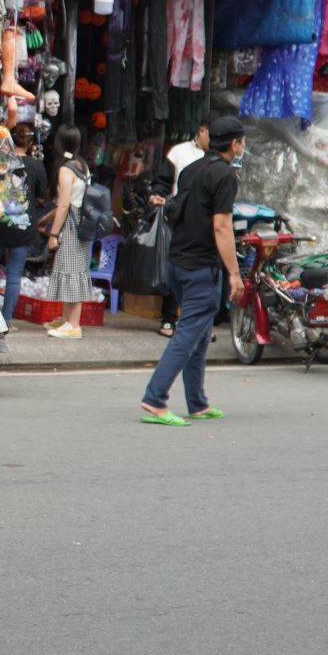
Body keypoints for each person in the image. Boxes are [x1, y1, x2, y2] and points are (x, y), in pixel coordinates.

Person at [141, 115, 246, 425]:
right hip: (201, 265)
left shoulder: (191, 169)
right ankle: (155, 398)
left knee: (199, 333)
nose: (243, 146)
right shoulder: (225, 176)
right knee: (187, 333)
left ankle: (197, 402)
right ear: (234, 144)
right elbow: (222, 226)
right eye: (242, 141)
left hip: (178, 262)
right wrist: (234, 273)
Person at [0, 126, 48, 324]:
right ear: (30, 142)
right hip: (22, 227)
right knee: (14, 274)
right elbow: (43, 195)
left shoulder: (1, 162)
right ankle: (6, 319)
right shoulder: (36, 165)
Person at [148, 124, 210, 337]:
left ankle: (200, 325)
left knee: (202, 274)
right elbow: (163, 182)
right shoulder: (179, 152)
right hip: (179, 219)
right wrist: (157, 194)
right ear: (202, 131)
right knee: (176, 268)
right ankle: (169, 319)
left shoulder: (219, 158)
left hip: (207, 222)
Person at [42, 124, 94, 340]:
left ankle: (74, 325)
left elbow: (64, 205)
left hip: (71, 226)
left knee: (72, 271)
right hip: (81, 223)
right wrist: (46, 219)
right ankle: (66, 319)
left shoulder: (65, 169)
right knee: (73, 269)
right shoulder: (82, 166)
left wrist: (53, 235)